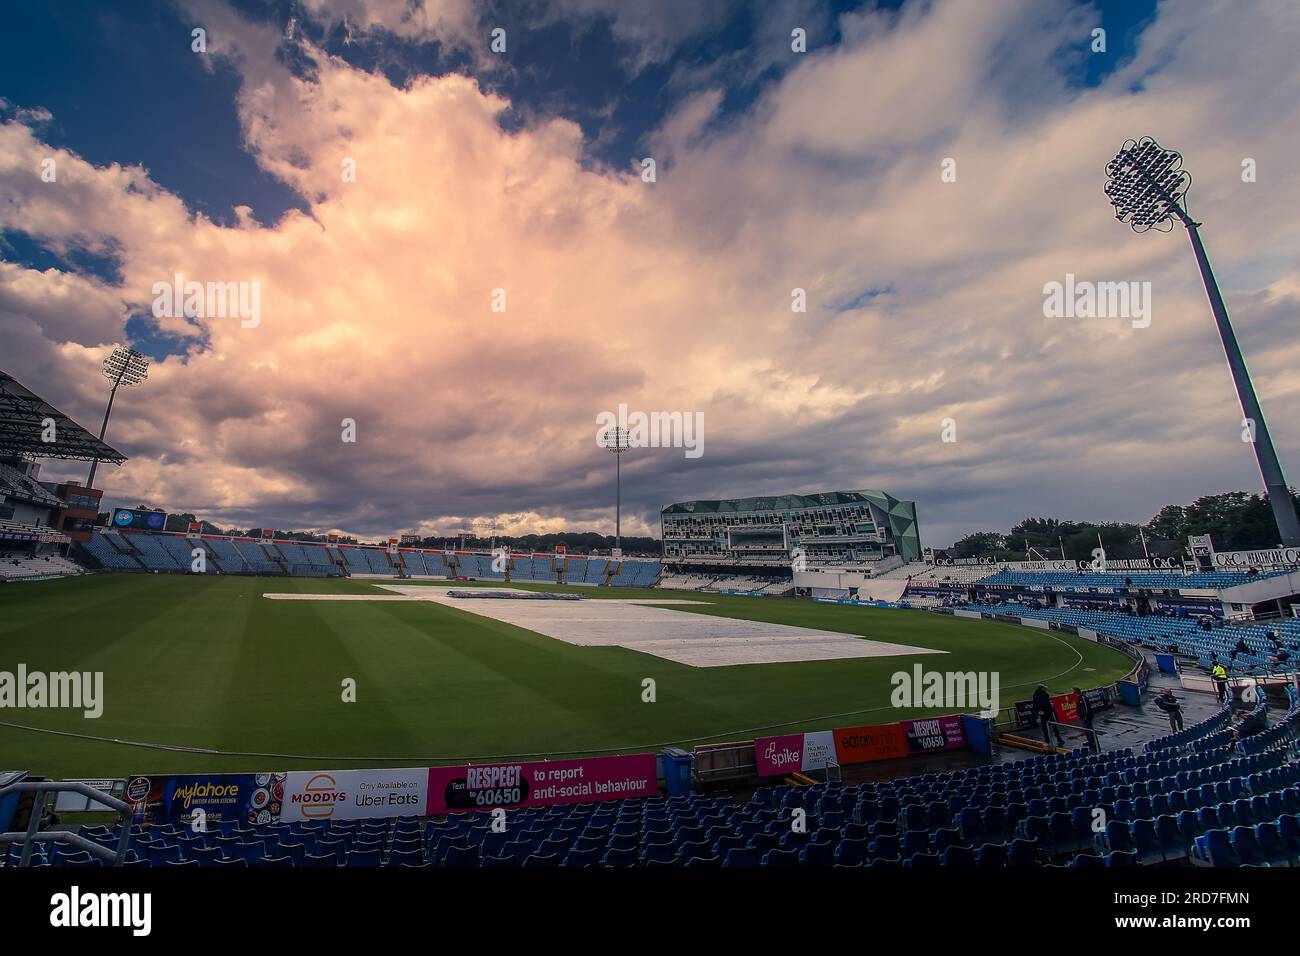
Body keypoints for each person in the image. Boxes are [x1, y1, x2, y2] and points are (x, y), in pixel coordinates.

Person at [1032, 684, 1064, 749]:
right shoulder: (1045, 694)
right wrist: (1050, 709)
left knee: (1044, 726)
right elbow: (1047, 704)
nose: (1046, 689)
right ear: (1042, 689)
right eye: (1044, 688)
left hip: (1042, 712)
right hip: (1048, 712)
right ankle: (1058, 738)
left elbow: (1035, 704)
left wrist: (1039, 711)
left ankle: (1046, 739)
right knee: (1054, 725)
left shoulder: (1035, 695)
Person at [1075, 687, 1099, 754]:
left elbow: (1085, 708)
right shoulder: (1080, 698)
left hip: (1086, 718)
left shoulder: (1082, 698)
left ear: (1076, 692)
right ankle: (1090, 741)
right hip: (1084, 718)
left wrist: (1084, 717)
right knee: (1087, 730)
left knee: (1089, 730)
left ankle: (1092, 745)